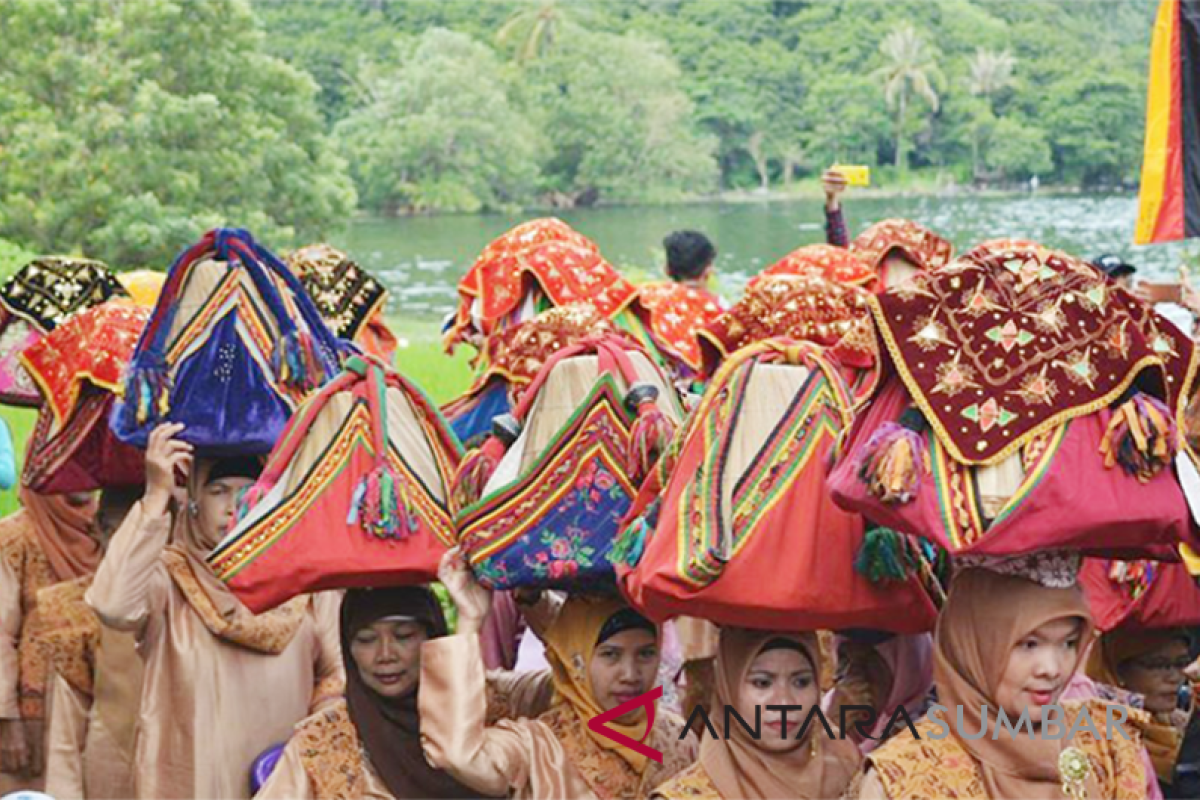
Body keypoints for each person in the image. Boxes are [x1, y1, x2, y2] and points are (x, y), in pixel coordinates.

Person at [86, 423, 343, 800]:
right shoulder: (171, 579)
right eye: (218, 491)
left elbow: (336, 676)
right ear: (192, 500)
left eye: (248, 492)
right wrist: (156, 496)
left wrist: (307, 749)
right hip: (190, 778)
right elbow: (113, 605)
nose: (232, 506)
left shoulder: (305, 583)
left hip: (285, 778)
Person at [420, 548, 697, 799]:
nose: (630, 674)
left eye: (646, 654)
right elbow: (460, 755)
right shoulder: (540, 749)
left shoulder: (678, 739)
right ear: (577, 662)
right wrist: (470, 619)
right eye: (610, 655)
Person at [854, 565, 1149, 799]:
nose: (1052, 668)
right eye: (1029, 645)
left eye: (1068, 643)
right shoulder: (906, 773)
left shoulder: (1106, 743)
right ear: (973, 645)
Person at [258, 585, 554, 799]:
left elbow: (581, 685)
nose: (385, 654)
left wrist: (531, 598)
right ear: (348, 649)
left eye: (404, 636)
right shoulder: (322, 744)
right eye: (366, 639)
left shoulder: (493, 701)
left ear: (432, 636)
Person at [652, 628, 861, 800]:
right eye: (762, 683)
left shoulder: (851, 773)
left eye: (801, 682)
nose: (784, 702)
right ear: (728, 690)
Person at [0, 486, 100, 793]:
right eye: (68, 471)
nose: (79, 481)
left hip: (101, 703)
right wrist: (7, 720)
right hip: (36, 715)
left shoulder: (109, 525)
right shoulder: (14, 536)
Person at [1087, 628, 1197, 798]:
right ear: (1117, 670)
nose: (1174, 677)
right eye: (1157, 665)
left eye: (1181, 662)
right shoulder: (1098, 742)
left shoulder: (1177, 729)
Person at [826, 633, 934, 754]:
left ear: (905, 671)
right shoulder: (826, 706)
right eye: (844, 658)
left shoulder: (929, 733)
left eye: (867, 662)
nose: (852, 674)